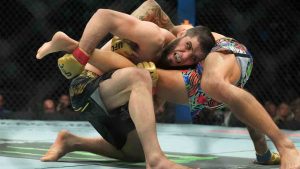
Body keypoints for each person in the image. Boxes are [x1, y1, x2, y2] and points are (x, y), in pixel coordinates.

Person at [36, 1, 300, 168]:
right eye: (187, 49)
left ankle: (285, 145)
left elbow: (156, 12)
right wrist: (80, 52)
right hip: (94, 89)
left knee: (200, 82)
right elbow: (128, 14)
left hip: (219, 56)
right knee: (134, 151)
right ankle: (72, 141)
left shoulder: (176, 48)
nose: (184, 56)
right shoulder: (153, 40)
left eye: (191, 55)